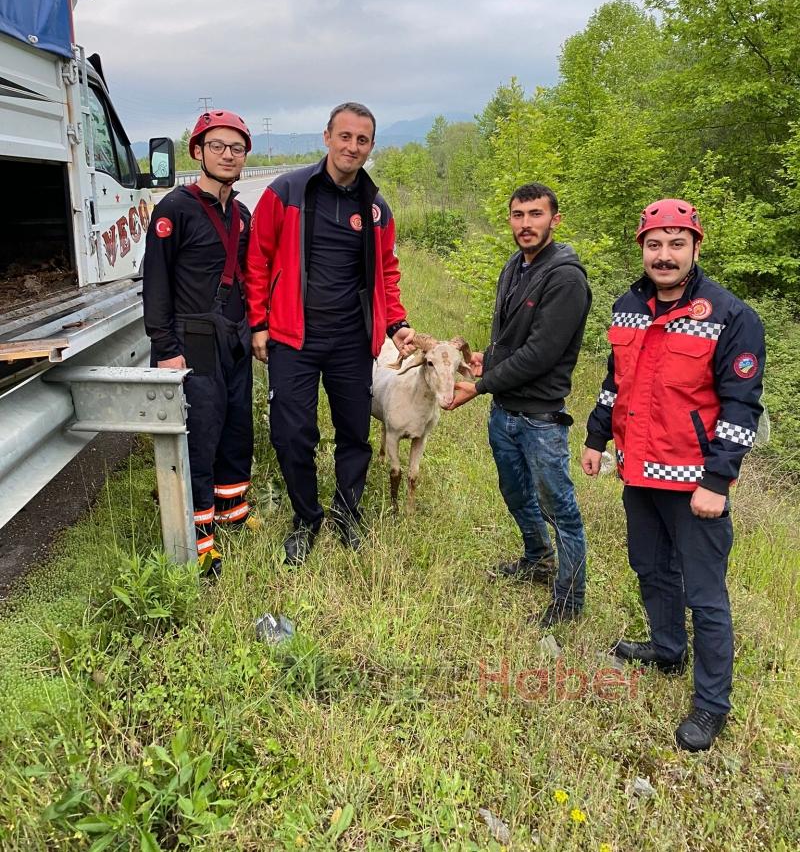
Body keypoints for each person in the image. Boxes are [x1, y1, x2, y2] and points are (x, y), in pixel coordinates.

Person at [581, 199, 766, 752]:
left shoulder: (731, 316)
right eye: (654, 244)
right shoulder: (627, 307)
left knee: (705, 595)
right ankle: (666, 649)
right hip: (639, 471)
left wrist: (717, 480)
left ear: (696, 247)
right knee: (650, 569)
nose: (664, 256)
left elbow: (741, 409)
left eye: (676, 244)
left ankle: (711, 704)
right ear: (642, 247)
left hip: (694, 484)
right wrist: (596, 437)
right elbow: (617, 381)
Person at [245, 102, 415, 565]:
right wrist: (258, 322)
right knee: (291, 432)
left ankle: (347, 512)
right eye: (345, 137)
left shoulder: (376, 208)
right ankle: (306, 517)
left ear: (371, 146)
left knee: (354, 433)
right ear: (327, 137)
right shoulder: (287, 192)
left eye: (362, 140)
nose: (352, 147)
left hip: (351, 340)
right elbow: (257, 260)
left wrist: (396, 324)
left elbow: (387, 271)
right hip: (292, 337)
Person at [446, 183, 591, 627]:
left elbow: (541, 354)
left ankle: (569, 600)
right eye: (517, 215)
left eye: (535, 214)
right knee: (516, 494)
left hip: (541, 418)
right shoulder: (516, 265)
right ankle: (537, 558)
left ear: (554, 219)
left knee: (559, 508)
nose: (526, 224)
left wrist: (480, 385)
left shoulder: (565, 277)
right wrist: (486, 359)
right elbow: (512, 338)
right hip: (505, 413)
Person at [143, 109, 255, 578]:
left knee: (236, 428)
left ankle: (231, 513)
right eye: (218, 146)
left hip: (234, 339)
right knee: (200, 437)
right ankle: (198, 538)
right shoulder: (175, 209)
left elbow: (251, 277)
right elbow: (156, 283)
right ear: (198, 151)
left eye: (236, 148)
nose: (228, 155)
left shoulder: (242, 214)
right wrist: (166, 347)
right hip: (190, 342)